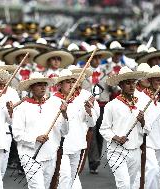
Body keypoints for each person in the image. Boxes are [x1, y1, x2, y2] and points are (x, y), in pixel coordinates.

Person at [12, 72, 69, 189]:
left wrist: (64, 114)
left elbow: (64, 131)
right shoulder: (22, 108)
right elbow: (17, 134)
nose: (43, 87)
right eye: (39, 85)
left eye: (44, 84)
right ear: (31, 87)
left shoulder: (53, 105)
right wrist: (35, 138)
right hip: (30, 156)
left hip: (50, 155)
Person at [99, 66, 148, 189]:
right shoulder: (111, 105)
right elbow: (103, 129)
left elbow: (147, 130)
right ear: (120, 85)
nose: (132, 86)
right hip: (117, 152)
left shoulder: (141, 104)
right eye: (128, 83)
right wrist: (116, 137)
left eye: (134, 83)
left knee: (132, 185)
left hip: (135, 150)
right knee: (124, 185)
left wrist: (143, 121)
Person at [53, 69, 100, 189]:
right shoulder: (53, 100)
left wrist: (89, 111)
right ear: (60, 85)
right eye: (68, 82)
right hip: (60, 146)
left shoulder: (83, 98)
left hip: (78, 144)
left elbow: (92, 123)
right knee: (64, 176)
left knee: (72, 178)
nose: (72, 85)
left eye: (73, 82)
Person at [78, 44, 113, 174]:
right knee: (90, 134)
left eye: (99, 57)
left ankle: (95, 158)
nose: (97, 60)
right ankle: (93, 161)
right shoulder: (82, 73)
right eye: (94, 57)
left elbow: (113, 88)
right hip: (88, 106)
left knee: (100, 134)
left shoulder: (106, 72)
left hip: (103, 105)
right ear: (89, 57)